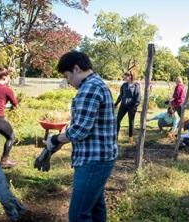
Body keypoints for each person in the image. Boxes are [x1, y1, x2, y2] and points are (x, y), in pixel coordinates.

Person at [38, 51, 118, 222]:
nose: (68, 81)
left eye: (67, 76)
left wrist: (54, 140)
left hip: (93, 161)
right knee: (96, 208)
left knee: (78, 215)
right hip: (100, 158)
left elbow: (80, 130)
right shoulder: (97, 84)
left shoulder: (89, 88)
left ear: (76, 69)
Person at [115, 71, 141, 144]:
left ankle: (130, 138)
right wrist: (116, 103)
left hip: (132, 106)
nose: (124, 78)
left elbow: (138, 97)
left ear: (130, 77)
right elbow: (121, 95)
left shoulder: (136, 85)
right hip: (123, 105)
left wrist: (135, 106)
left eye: (125, 77)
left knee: (131, 122)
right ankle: (116, 136)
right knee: (117, 120)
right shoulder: (124, 85)